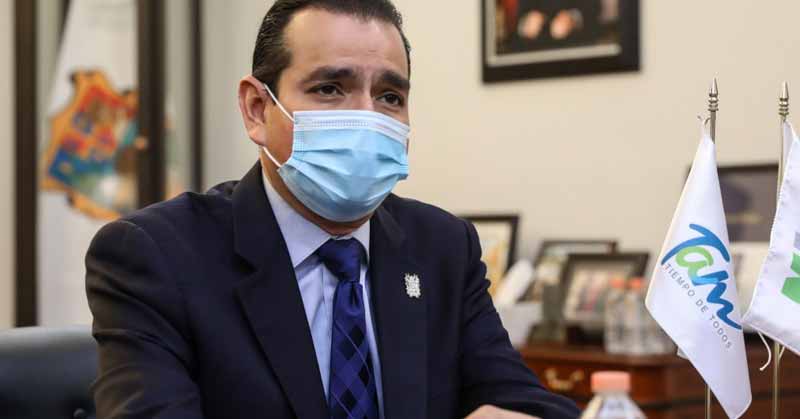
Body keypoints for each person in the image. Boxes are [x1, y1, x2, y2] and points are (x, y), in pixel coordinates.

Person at [84, 1, 581, 418]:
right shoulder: (157, 256)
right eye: (329, 89)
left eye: (390, 96)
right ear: (257, 109)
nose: (366, 116)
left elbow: (522, 400)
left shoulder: (443, 247)